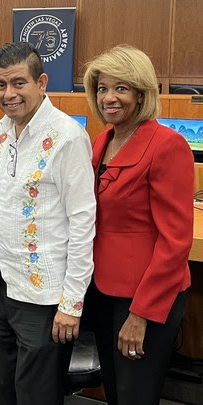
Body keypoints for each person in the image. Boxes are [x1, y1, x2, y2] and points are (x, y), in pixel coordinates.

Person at [0, 41, 96, 404]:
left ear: (41, 82)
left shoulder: (68, 137)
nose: (8, 94)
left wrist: (71, 304)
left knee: (37, 395)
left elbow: (83, 223)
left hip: (43, 295)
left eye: (19, 83)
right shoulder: (0, 130)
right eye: (1, 85)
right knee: (6, 388)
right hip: (2, 283)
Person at [82, 45, 194, 405]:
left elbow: (175, 242)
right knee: (115, 391)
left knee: (135, 395)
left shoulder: (167, 146)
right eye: (101, 88)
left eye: (121, 88)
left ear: (142, 93)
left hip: (143, 297)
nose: (108, 98)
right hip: (103, 289)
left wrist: (141, 314)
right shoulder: (105, 139)